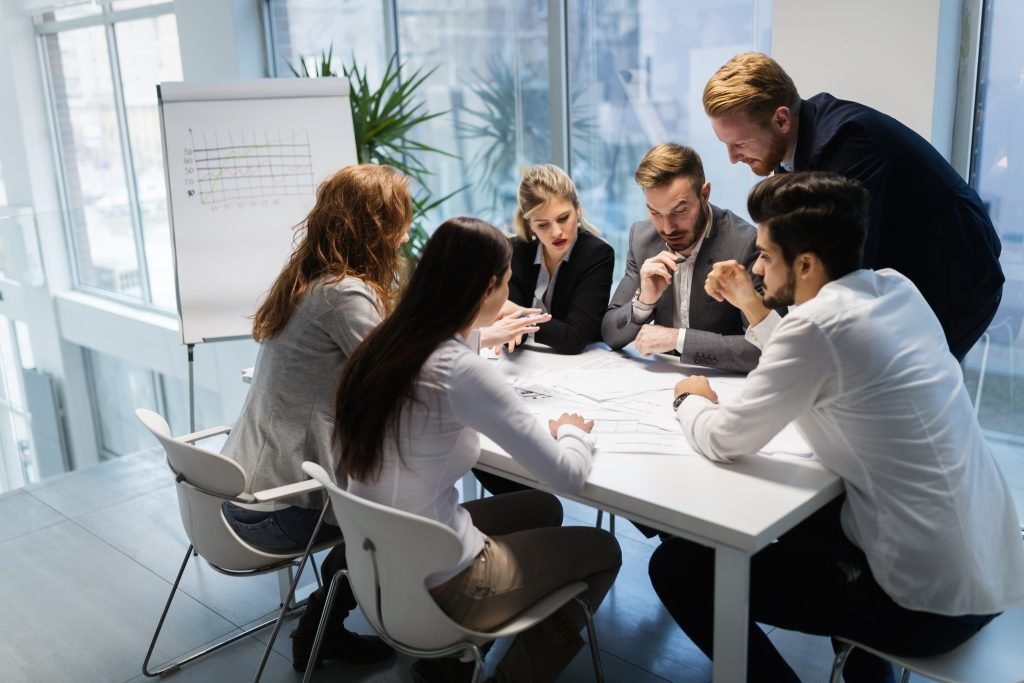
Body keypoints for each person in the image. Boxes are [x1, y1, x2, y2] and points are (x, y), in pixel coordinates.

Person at [651, 171, 1024, 683]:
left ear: (804, 264)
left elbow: (723, 437)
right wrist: (754, 308)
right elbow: (822, 353)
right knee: (808, 516)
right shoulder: (895, 289)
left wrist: (690, 401)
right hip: (991, 567)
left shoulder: (814, 328)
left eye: (765, 254)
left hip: (927, 607)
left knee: (675, 569)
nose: (756, 267)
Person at [219, 164, 536, 673]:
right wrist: (473, 331)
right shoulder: (346, 294)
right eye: (400, 221)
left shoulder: (311, 280)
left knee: (383, 500)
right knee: (392, 514)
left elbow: (399, 356)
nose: (407, 232)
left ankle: (323, 633)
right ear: (376, 226)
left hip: (249, 488)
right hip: (282, 506)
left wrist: (472, 335)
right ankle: (433, 641)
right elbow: (408, 375)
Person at [335, 216, 622, 683]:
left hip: (379, 569)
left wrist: (479, 331)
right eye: (508, 283)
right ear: (488, 286)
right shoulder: (459, 371)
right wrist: (573, 432)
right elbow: (567, 475)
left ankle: (449, 667)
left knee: (540, 508)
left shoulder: (386, 344)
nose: (511, 293)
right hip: (447, 584)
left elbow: (449, 354)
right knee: (603, 548)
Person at [702, 51, 1004, 361]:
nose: (732, 158)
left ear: (781, 119)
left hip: (952, 284)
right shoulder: (789, 151)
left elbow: (835, 280)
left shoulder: (846, 145)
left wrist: (762, 314)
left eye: (739, 144)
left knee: (883, 391)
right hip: (901, 280)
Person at [601, 143, 762, 373]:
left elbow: (764, 349)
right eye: (655, 212)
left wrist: (678, 339)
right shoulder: (642, 238)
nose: (667, 228)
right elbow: (610, 333)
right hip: (656, 387)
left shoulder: (745, 244)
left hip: (723, 386)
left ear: (704, 194)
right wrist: (643, 303)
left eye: (679, 211)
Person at [505, 164, 614, 355]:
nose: (556, 232)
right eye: (543, 224)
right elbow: (510, 335)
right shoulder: (513, 251)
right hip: (525, 365)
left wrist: (521, 316)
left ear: (577, 209)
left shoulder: (597, 254)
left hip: (578, 367)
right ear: (529, 224)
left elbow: (574, 338)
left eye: (563, 218)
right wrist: (514, 322)